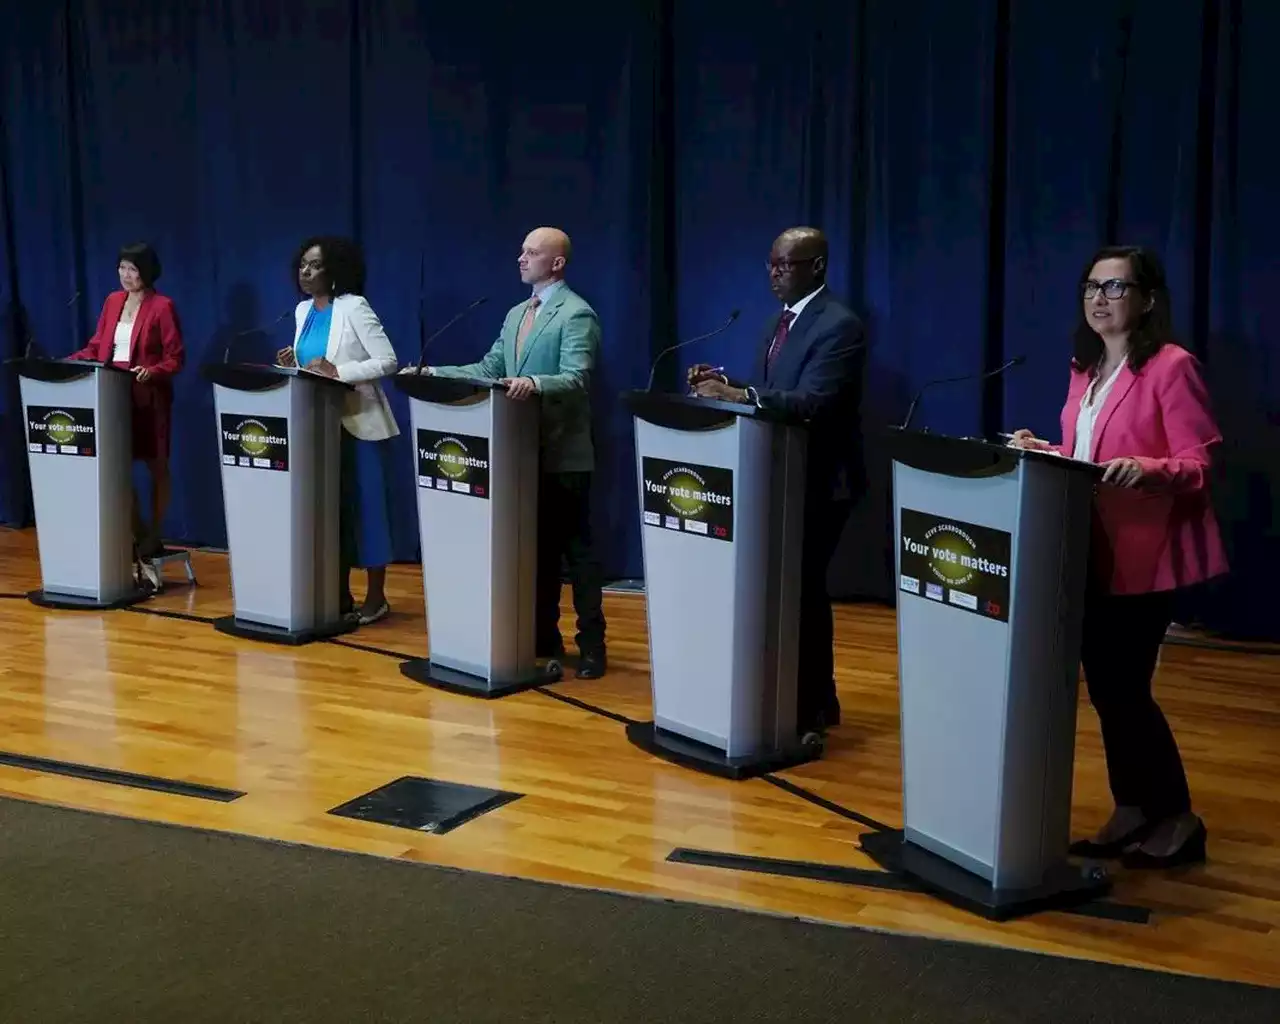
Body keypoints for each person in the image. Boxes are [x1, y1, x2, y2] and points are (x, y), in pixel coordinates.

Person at [1010, 244, 1226, 869]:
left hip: (1144, 555)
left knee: (1126, 690)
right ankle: (1133, 807)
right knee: (1107, 691)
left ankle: (1178, 817)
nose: (1100, 299)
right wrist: (1044, 449)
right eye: (1091, 288)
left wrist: (1147, 468)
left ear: (1147, 299)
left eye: (1115, 288)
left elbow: (1199, 464)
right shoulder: (1086, 368)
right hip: (1086, 548)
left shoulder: (1170, 365)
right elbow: (1087, 450)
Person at [687, 227, 866, 741]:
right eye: (770, 264)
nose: (774, 273)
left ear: (818, 267)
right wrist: (723, 385)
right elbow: (771, 393)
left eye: (785, 265)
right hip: (781, 473)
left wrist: (740, 393)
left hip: (822, 479)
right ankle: (819, 698)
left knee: (804, 591)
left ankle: (809, 709)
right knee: (795, 589)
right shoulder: (776, 323)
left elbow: (814, 403)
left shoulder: (840, 326)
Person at [403, 226, 606, 680]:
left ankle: (593, 646)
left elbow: (577, 378)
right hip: (518, 453)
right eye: (521, 251)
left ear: (556, 263)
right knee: (536, 553)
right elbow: (490, 368)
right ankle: (542, 637)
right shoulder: (517, 314)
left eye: (531, 253)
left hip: (562, 453)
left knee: (578, 554)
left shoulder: (577, 314)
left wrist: (534, 384)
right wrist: (435, 371)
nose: (521, 258)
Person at [278, 236, 399, 625]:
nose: (305, 272)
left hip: (358, 423)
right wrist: (291, 363)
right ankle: (335, 590)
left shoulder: (354, 307)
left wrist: (339, 373)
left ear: (334, 272)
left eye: (314, 265)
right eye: (302, 265)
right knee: (330, 512)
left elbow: (388, 360)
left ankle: (376, 597)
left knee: (366, 509)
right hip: (317, 427)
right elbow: (311, 366)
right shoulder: (301, 312)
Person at [69, 242, 184, 575]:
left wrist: (155, 371)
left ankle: (155, 535)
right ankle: (138, 530)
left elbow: (176, 358)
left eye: (132, 270)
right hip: (112, 393)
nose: (126, 276)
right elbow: (97, 346)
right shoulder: (112, 301)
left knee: (155, 466)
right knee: (118, 467)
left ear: (147, 272)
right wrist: (71, 361)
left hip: (148, 397)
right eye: (121, 268)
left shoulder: (163, 306)